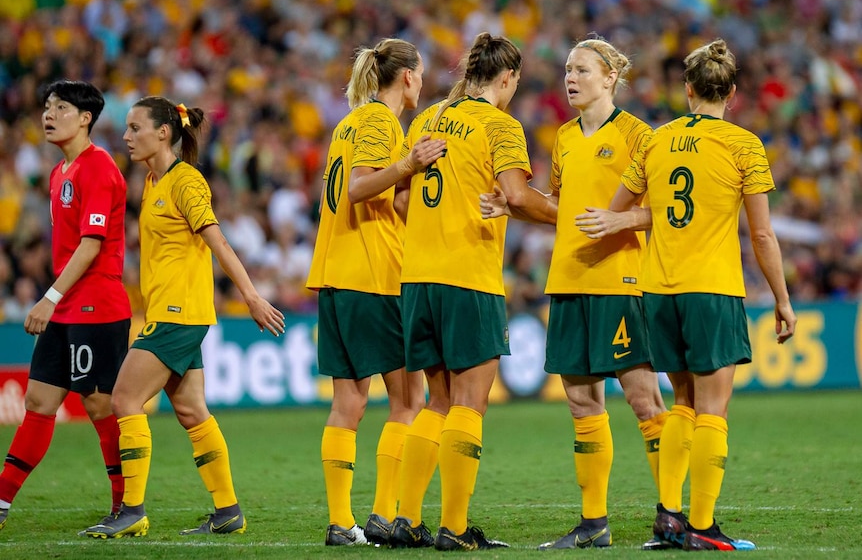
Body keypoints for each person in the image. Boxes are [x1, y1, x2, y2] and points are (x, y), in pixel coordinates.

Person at [589, 38, 796, 551]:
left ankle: (670, 519)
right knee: (713, 410)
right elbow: (763, 235)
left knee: (681, 401)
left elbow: (621, 209)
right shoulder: (744, 144)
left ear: (687, 90)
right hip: (711, 288)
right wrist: (783, 300)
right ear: (731, 93)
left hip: (658, 290)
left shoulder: (655, 142)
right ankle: (701, 525)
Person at [482, 37, 670, 550]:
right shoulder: (563, 136)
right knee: (583, 403)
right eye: (567, 69)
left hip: (621, 280)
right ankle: (593, 524)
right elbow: (560, 205)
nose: (571, 77)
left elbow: (666, 209)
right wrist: (513, 206)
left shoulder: (637, 135)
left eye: (582, 69)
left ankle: (673, 514)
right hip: (568, 279)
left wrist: (621, 218)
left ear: (610, 77)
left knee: (644, 399)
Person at [81, 96, 285, 538]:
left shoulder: (185, 181)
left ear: (163, 132)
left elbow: (219, 242)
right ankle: (228, 511)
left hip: (178, 313)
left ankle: (131, 510)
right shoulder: (152, 182)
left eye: (135, 128)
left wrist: (250, 296)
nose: (126, 136)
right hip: (173, 310)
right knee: (192, 412)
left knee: (124, 401)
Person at [388, 32, 556, 551]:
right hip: (468, 276)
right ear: (507, 78)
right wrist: (569, 217)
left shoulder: (428, 118)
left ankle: (407, 520)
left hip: (418, 278)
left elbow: (399, 201)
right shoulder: (500, 126)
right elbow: (516, 195)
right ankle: (454, 529)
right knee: (469, 404)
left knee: (436, 401)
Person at [304, 38, 445, 547]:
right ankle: (386, 514)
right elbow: (359, 188)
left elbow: (378, 196)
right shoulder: (380, 122)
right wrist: (411, 164)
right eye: (422, 74)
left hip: (337, 275)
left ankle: (342, 523)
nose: (423, 83)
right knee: (409, 399)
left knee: (349, 403)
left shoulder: (348, 124)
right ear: (406, 76)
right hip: (374, 276)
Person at [0, 79, 130, 533]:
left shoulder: (99, 167)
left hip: (95, 303)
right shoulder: (60, 173)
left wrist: (49, 297)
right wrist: (56, 298)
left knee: (99, 406)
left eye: (60, 107)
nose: (48, 115)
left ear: (86, 117)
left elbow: (92, 245)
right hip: (65, 303)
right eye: (47, 107)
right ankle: (1, 501)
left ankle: (126, 507)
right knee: (38, 400)